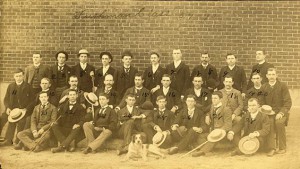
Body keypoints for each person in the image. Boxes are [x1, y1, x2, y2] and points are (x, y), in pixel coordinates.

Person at [261, 68, 292, 154]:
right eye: (269, 75)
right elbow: (261, 101)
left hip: (281, 112)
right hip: (269, 113)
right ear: (266, 76)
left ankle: (282, 147)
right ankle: (272, 148)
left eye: (273, 74)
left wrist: (281, 113)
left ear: (276, 75)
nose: (271, 77)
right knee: (269, 122)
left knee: (279, 123)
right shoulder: (264, 87)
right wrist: (266, 111)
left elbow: (288, 102)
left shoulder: (282, 86)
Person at [191, 91, 232, 157]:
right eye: (212, 98)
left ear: (221, 99)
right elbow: (209, 113)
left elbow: (228, 125)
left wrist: (219, 131)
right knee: (201, 136)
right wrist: (207, 115)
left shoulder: (226, 109)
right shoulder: (212, 106)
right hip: (213, 130)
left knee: (213, 138)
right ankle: (209, 148)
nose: (213, 100)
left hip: (223, 133)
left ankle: (202, 151)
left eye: (215, 98)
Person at [0, 68, 33, 146]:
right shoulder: (11, 86)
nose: (18, 78)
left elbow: (33, 101)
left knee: (21, 121)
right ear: (14, 77)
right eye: (17, 76)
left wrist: (26, 109)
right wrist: (7, 108)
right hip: (11, 110)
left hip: (23, 110)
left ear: (23, 76)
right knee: (3, 118)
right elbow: (6, 99)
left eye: (20, 76)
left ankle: (17, 141)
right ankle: (8, 140)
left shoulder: (28, 86)